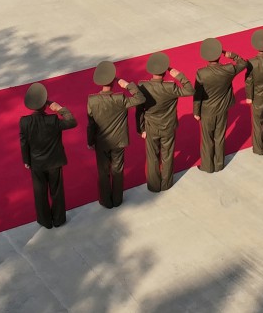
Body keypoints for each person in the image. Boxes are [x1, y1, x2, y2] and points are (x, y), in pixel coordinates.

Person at [130, 52, 194, 192]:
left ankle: (154, 185)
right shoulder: (170, 87)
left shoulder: (142, 87)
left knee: (152, 157)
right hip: (168, 127)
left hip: (151, 127)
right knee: (168, 155)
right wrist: (178, 75)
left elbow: (139, 111)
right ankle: (167, 184)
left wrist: (141, 129)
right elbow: (190, 90)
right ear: (165, 71)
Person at [86, 61, 145, 209]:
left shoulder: (92, 101)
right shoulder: (121, 98)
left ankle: (106, 201)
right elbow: (140, 98)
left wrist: (90, 141)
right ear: (113, 81)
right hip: (119, 141)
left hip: (101, 142)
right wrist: (127, 85)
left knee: (103, 172)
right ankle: (117, 199)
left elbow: (91, 124)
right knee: (118, 170)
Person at [19, 82, 77, 228]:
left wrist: (26, 160)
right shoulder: (53, 120)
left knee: (40, 193)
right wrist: (59, 108)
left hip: (36, 163)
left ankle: (45, 221)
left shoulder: (25, 122)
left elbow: (23, 142)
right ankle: (58, 219)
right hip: (54, 162)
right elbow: (72, 122)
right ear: (45, 104)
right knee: (56, 191)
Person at [193, 39, 247, 173]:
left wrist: (196, 111)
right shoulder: (228, 69)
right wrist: (230, 54)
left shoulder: (201, 73)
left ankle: (207, 166)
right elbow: (244, 63)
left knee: (207, 140)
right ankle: (219, 164)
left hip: (206, 111)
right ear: (218, 55)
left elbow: (197, 95)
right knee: (220, 136)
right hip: (222, 108)